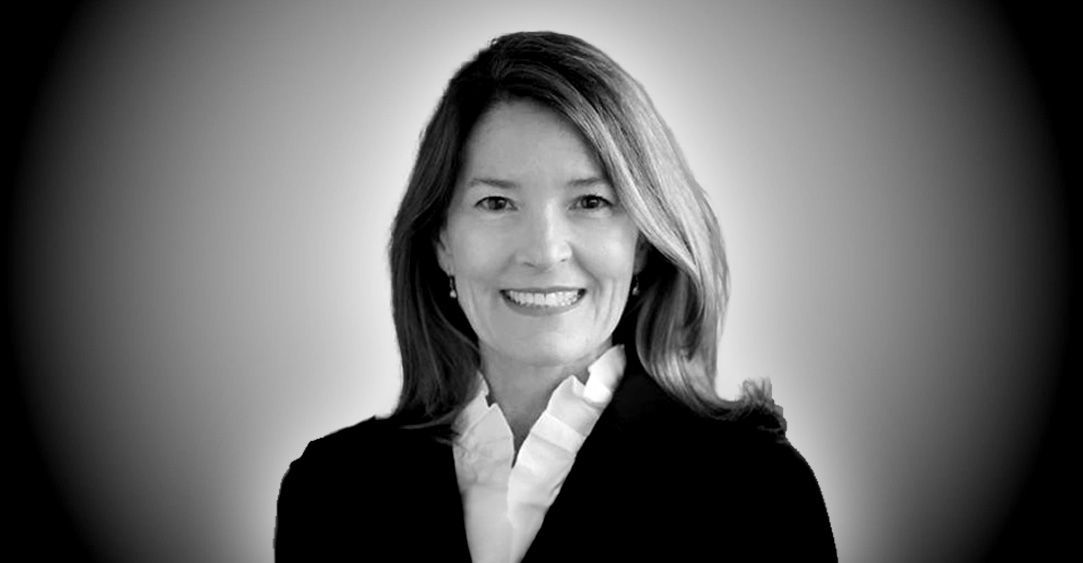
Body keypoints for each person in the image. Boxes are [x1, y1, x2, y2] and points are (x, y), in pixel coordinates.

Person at [275, 31, 836, 562]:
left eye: (590, 202)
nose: (544, 252)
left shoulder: (754, 487)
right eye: (496, 203)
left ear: (642, 243)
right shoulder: (331, 489)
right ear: (441, 240)